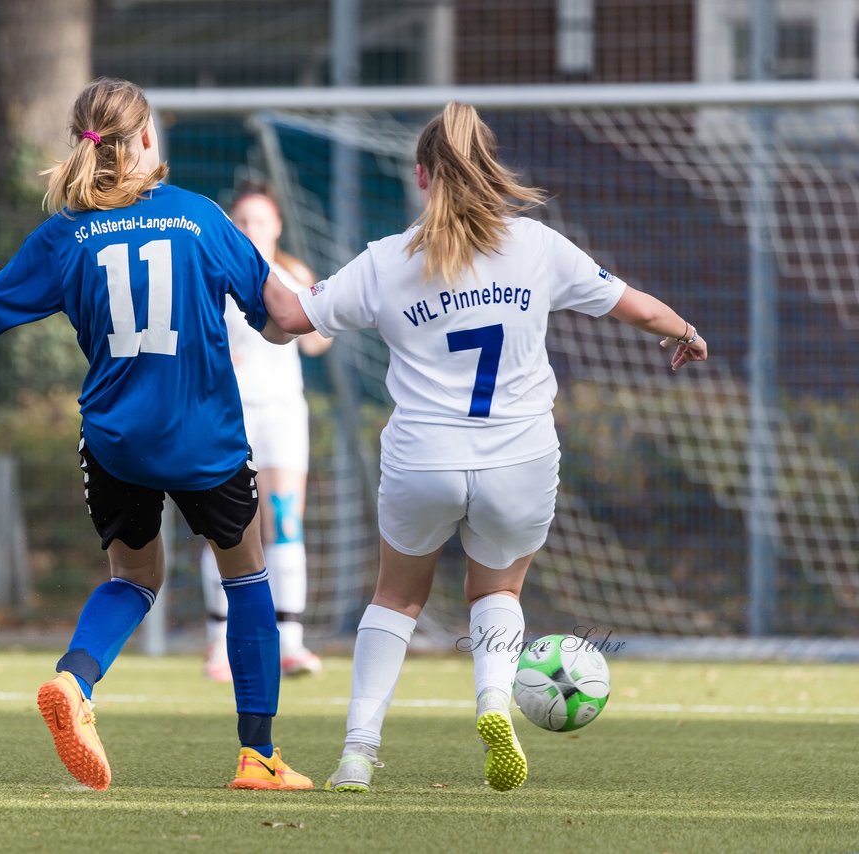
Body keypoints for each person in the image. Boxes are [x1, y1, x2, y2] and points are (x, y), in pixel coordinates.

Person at [260, 102, 708, 793]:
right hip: (519, 458)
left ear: (420, 177)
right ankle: (495, 703)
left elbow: (289, 317)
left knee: (395, 599)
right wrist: (684, 331)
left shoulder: (386, 261)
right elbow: (639, 309)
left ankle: (357, 754)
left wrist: (235, 257)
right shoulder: (537, 246)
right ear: (489, 173)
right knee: (496, 588)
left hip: (423, 460)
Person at [0, 77, 313, 792]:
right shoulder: (200, 218)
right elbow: (282, 320)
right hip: (204, 437)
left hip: (117, 440)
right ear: (147, 138)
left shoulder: (65, 233)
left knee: (135, 578)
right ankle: (258, 757)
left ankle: (76, 682)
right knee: (247, 576)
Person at [199, 182, 332, 682]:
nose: (253, 229)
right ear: (234, 227)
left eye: (261, 221)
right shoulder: (218, 272)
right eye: (244, 221)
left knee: (285, 519)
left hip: (281, 414)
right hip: (230, 414)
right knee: (227, 525)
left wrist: (323, 310)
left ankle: (290, 642)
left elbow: (318, 342)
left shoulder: (293, 274)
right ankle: (220, 645)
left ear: (277, 226)